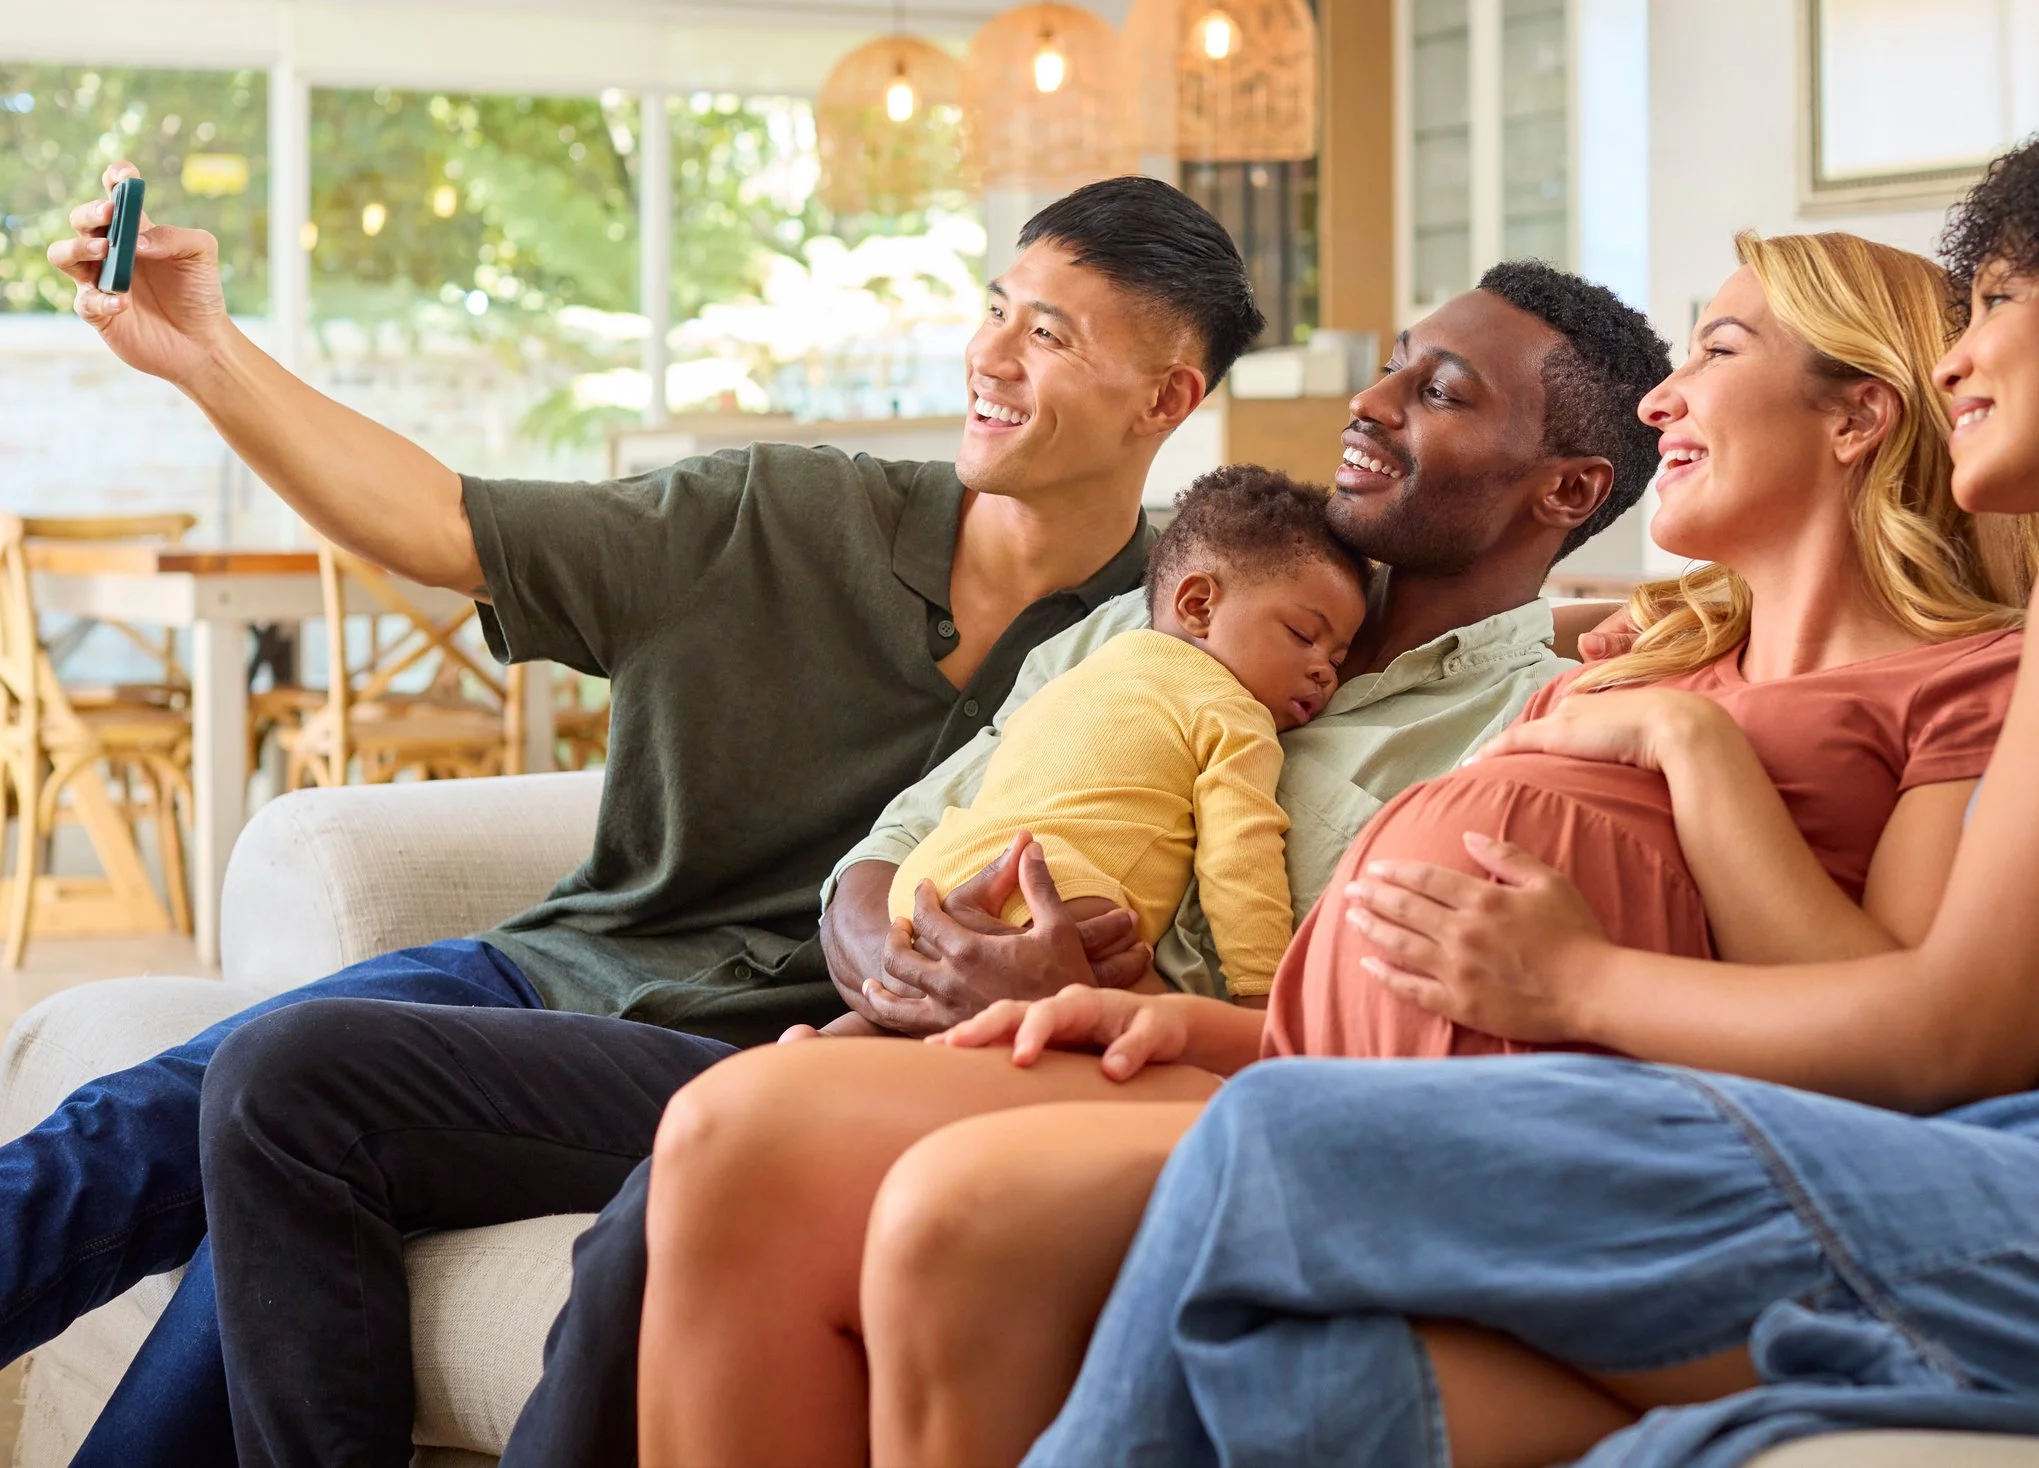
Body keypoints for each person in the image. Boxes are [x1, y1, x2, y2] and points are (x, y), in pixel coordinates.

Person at [935, 87, 2039, 1468]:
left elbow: (1957, 1027)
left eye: (2004, 294)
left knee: (1274, 1149)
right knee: (1313, 1380)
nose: (1960, 352)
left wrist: (1579, 984)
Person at [195, 258, 1672, 1468]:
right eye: (1400, 359)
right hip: (874, 1017)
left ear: (1563, 491)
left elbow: (1370, 1013)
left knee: (704, 1177)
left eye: (1443, 390)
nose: (1376, 399)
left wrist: (1078, 985)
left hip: (1095, 1081)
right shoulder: (1163, 607)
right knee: (288, 1075)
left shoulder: (1532, 720)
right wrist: (894, 952)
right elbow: (896, 838)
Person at [630, 229, 2039, 1466]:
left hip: (1484, 1128)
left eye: (1716, 352)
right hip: (1306, 1064)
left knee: (953, 1209)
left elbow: (1890, 1033)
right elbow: (1379, 960)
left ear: (1860, 418)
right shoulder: (1643, 654)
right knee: (731, 1125)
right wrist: (1156, 1013)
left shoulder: (1960, 681)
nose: (1666, 398)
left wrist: (1702, 763)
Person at [26, 169, 1263, 1466]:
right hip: (546, 976)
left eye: (1050, 335)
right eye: (997, 309)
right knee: (149, 1118)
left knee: (285, 1092)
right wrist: (208, 354)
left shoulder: (1177, 628)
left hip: (762, 1061)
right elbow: (443, 525)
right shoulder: (772, 516)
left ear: (1168, 400)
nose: (990, 355)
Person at [883, 464, 1370, 1003]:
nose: (1324, 671)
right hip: (1053, 892)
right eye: (1304, 635)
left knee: (908, 1011)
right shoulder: (1232, 712)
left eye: (1338, 657)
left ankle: (831, 1037)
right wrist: (1260, 992)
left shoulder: (1095, 662)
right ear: (1198, 606)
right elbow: (1240, 856)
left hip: (936, 872)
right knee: (1136, 997)